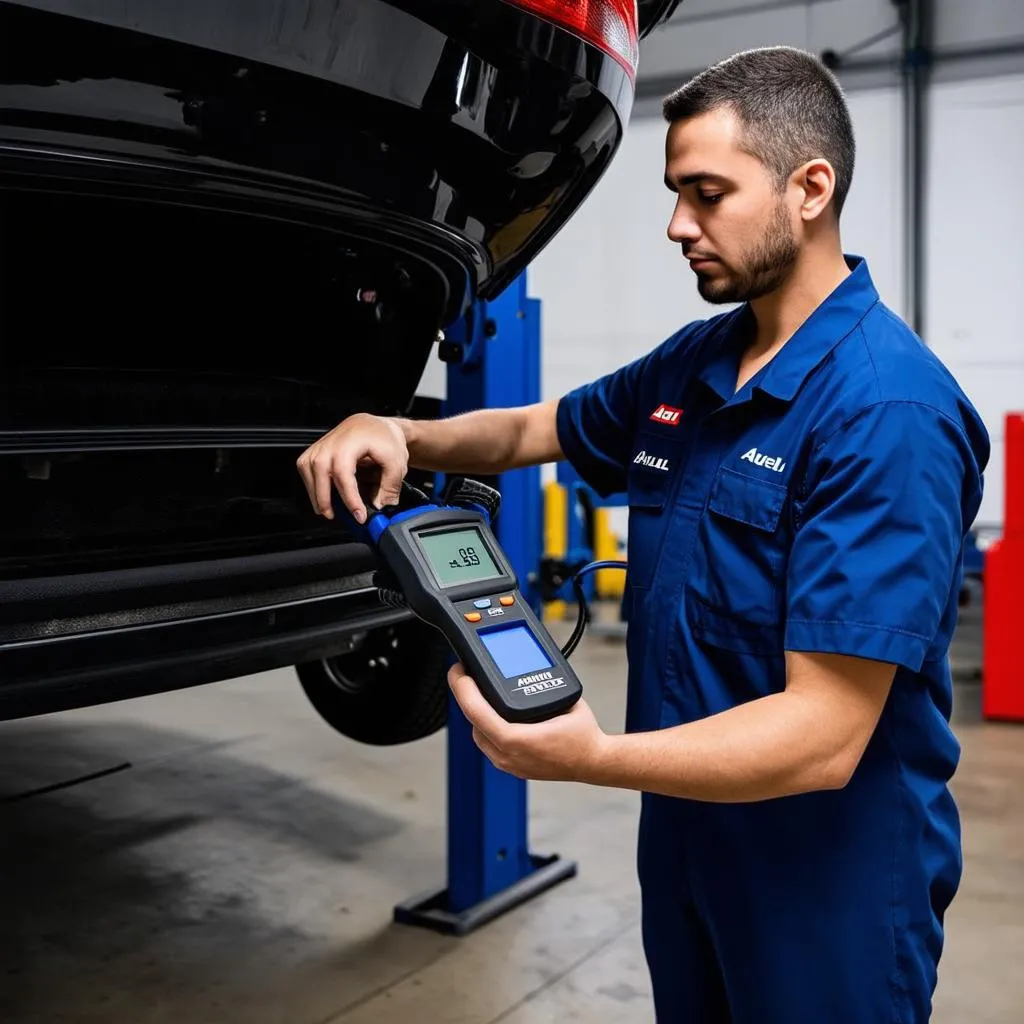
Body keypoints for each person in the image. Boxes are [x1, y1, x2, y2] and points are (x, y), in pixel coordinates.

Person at [297, 46, 989, 1024]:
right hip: (687, 841)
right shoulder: (701, 360)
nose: (676, 225)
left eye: (706, 194)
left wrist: (590, 757)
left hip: (823, 877)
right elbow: (536, 429)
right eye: (674, 193)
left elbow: (825, 735)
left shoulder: (887, 413)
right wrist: (401, 429)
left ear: (809, 189)